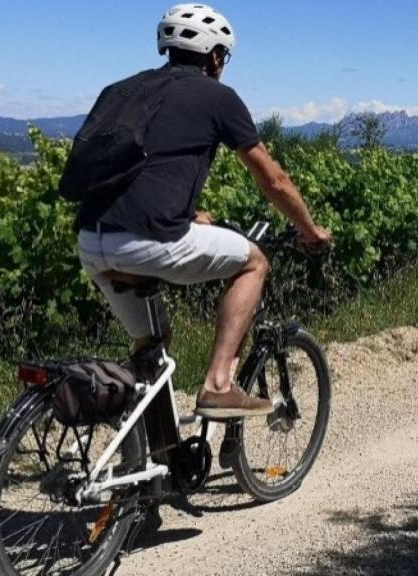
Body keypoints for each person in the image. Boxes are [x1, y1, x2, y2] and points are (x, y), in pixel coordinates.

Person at [76, 4, 331, 419]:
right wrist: (309, 229)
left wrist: (186, 213)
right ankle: (218, 386)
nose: (223, 65)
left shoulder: (122, 90)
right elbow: (274, 181)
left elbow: (142, 163)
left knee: (151, 347)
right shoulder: (218, 97)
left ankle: (144, 462)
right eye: (223, 57)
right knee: (254, 263)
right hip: (150, 241)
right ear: (214, 56)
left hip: (92, 238)